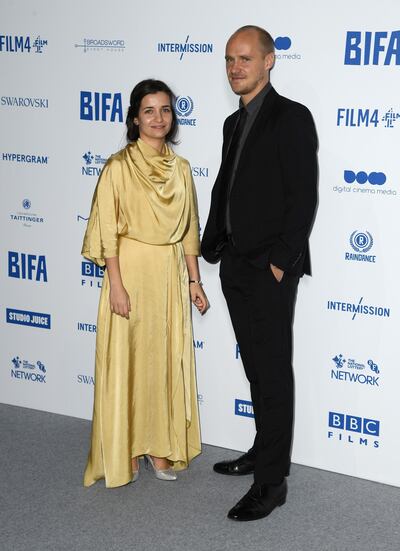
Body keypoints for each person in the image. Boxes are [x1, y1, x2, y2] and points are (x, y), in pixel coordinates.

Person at [201, 25, 318, 521]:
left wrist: (278, 263)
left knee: (272, 372)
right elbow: (228, 187)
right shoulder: (233, 122)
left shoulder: (292, 117)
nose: (235, 68)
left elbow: (303, 197)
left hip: (269, 268)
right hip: (235, 263)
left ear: (269, 61)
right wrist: (215, 246)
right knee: (255, 367)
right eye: (229, 59)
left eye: (245, 59)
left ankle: (272, 483)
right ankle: (261, 450)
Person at [82, 79, 209, 488]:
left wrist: (194, 280)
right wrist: (115, 284)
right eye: (149, 110)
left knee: (162, 359)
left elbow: (190, 228)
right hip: (130, 272)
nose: (159, 118)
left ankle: (159, 446)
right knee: (130, 360)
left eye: (166, 110)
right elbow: (106, 230)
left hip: (169, 276)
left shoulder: (182, 168)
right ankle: (127, 447)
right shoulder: (118, 166)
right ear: (135, 118)